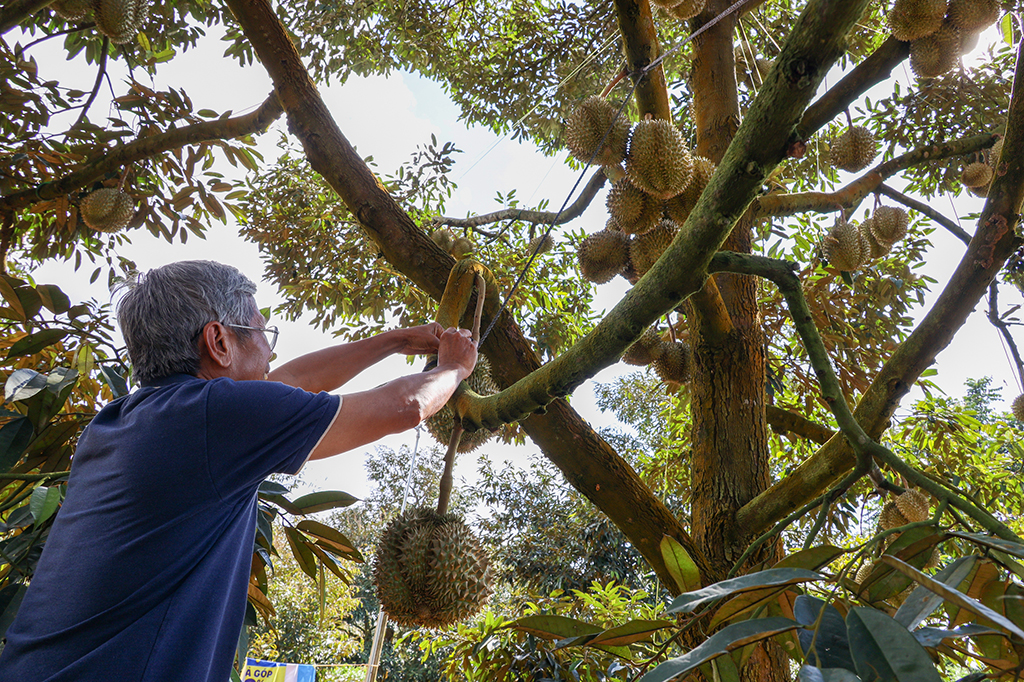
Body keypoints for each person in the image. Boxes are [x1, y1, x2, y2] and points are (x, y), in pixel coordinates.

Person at [0, 260, 477, 682]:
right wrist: (455, 367)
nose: (270, 353)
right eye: (264, 334)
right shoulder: (217, 418)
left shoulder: (126, 420)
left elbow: (291, 381)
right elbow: (404, 406)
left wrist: (395, 341)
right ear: (219, 340)